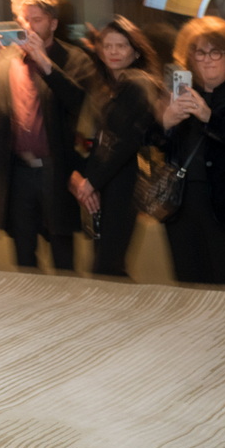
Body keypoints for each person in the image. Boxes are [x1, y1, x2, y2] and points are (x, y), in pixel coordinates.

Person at [0, 0, 99, 272]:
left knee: (63, 257)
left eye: (36, 20)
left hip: (57, 170)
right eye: (23, 20)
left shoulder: (74, 58)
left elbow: (81, 105)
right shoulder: (5, 61)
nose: (28, 27)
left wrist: (44, 62)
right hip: (18, 171)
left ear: (53, 23)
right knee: (24, 257)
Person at [158, 16, 225, 286]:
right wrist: (165, 123)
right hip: (181, 205)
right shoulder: (182, 96)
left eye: (215, 52)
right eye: (199, 52)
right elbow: (156, 144)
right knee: (187, 284)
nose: (207, 59)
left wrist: (209, 118)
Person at [69, 17, 161, 279]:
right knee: (106, 263)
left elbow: (126, 142)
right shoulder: (107, 86)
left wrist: (91, 182)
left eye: (121, 46)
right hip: (107, 180)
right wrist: (88, 180)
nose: (113, 52)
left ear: (136, 51)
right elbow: (95, 140)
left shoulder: (138, 84)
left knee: (108, 265)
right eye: (108, 46)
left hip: (126, 181)